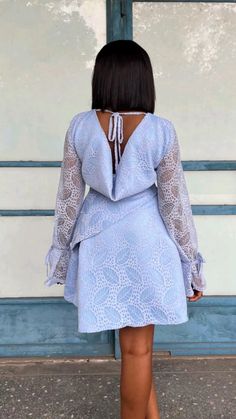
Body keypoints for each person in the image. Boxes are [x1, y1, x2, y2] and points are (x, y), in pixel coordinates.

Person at [44, 39, 206, 419]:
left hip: (100, 244)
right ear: (143, 81)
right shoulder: (161, 130)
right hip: (148, 243)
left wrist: (62, 254)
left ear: (102, 79)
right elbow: (174, 204)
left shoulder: (80, 126)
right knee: (139, 350)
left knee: (131, 349)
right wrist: (191, 262)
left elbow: (68, 198)